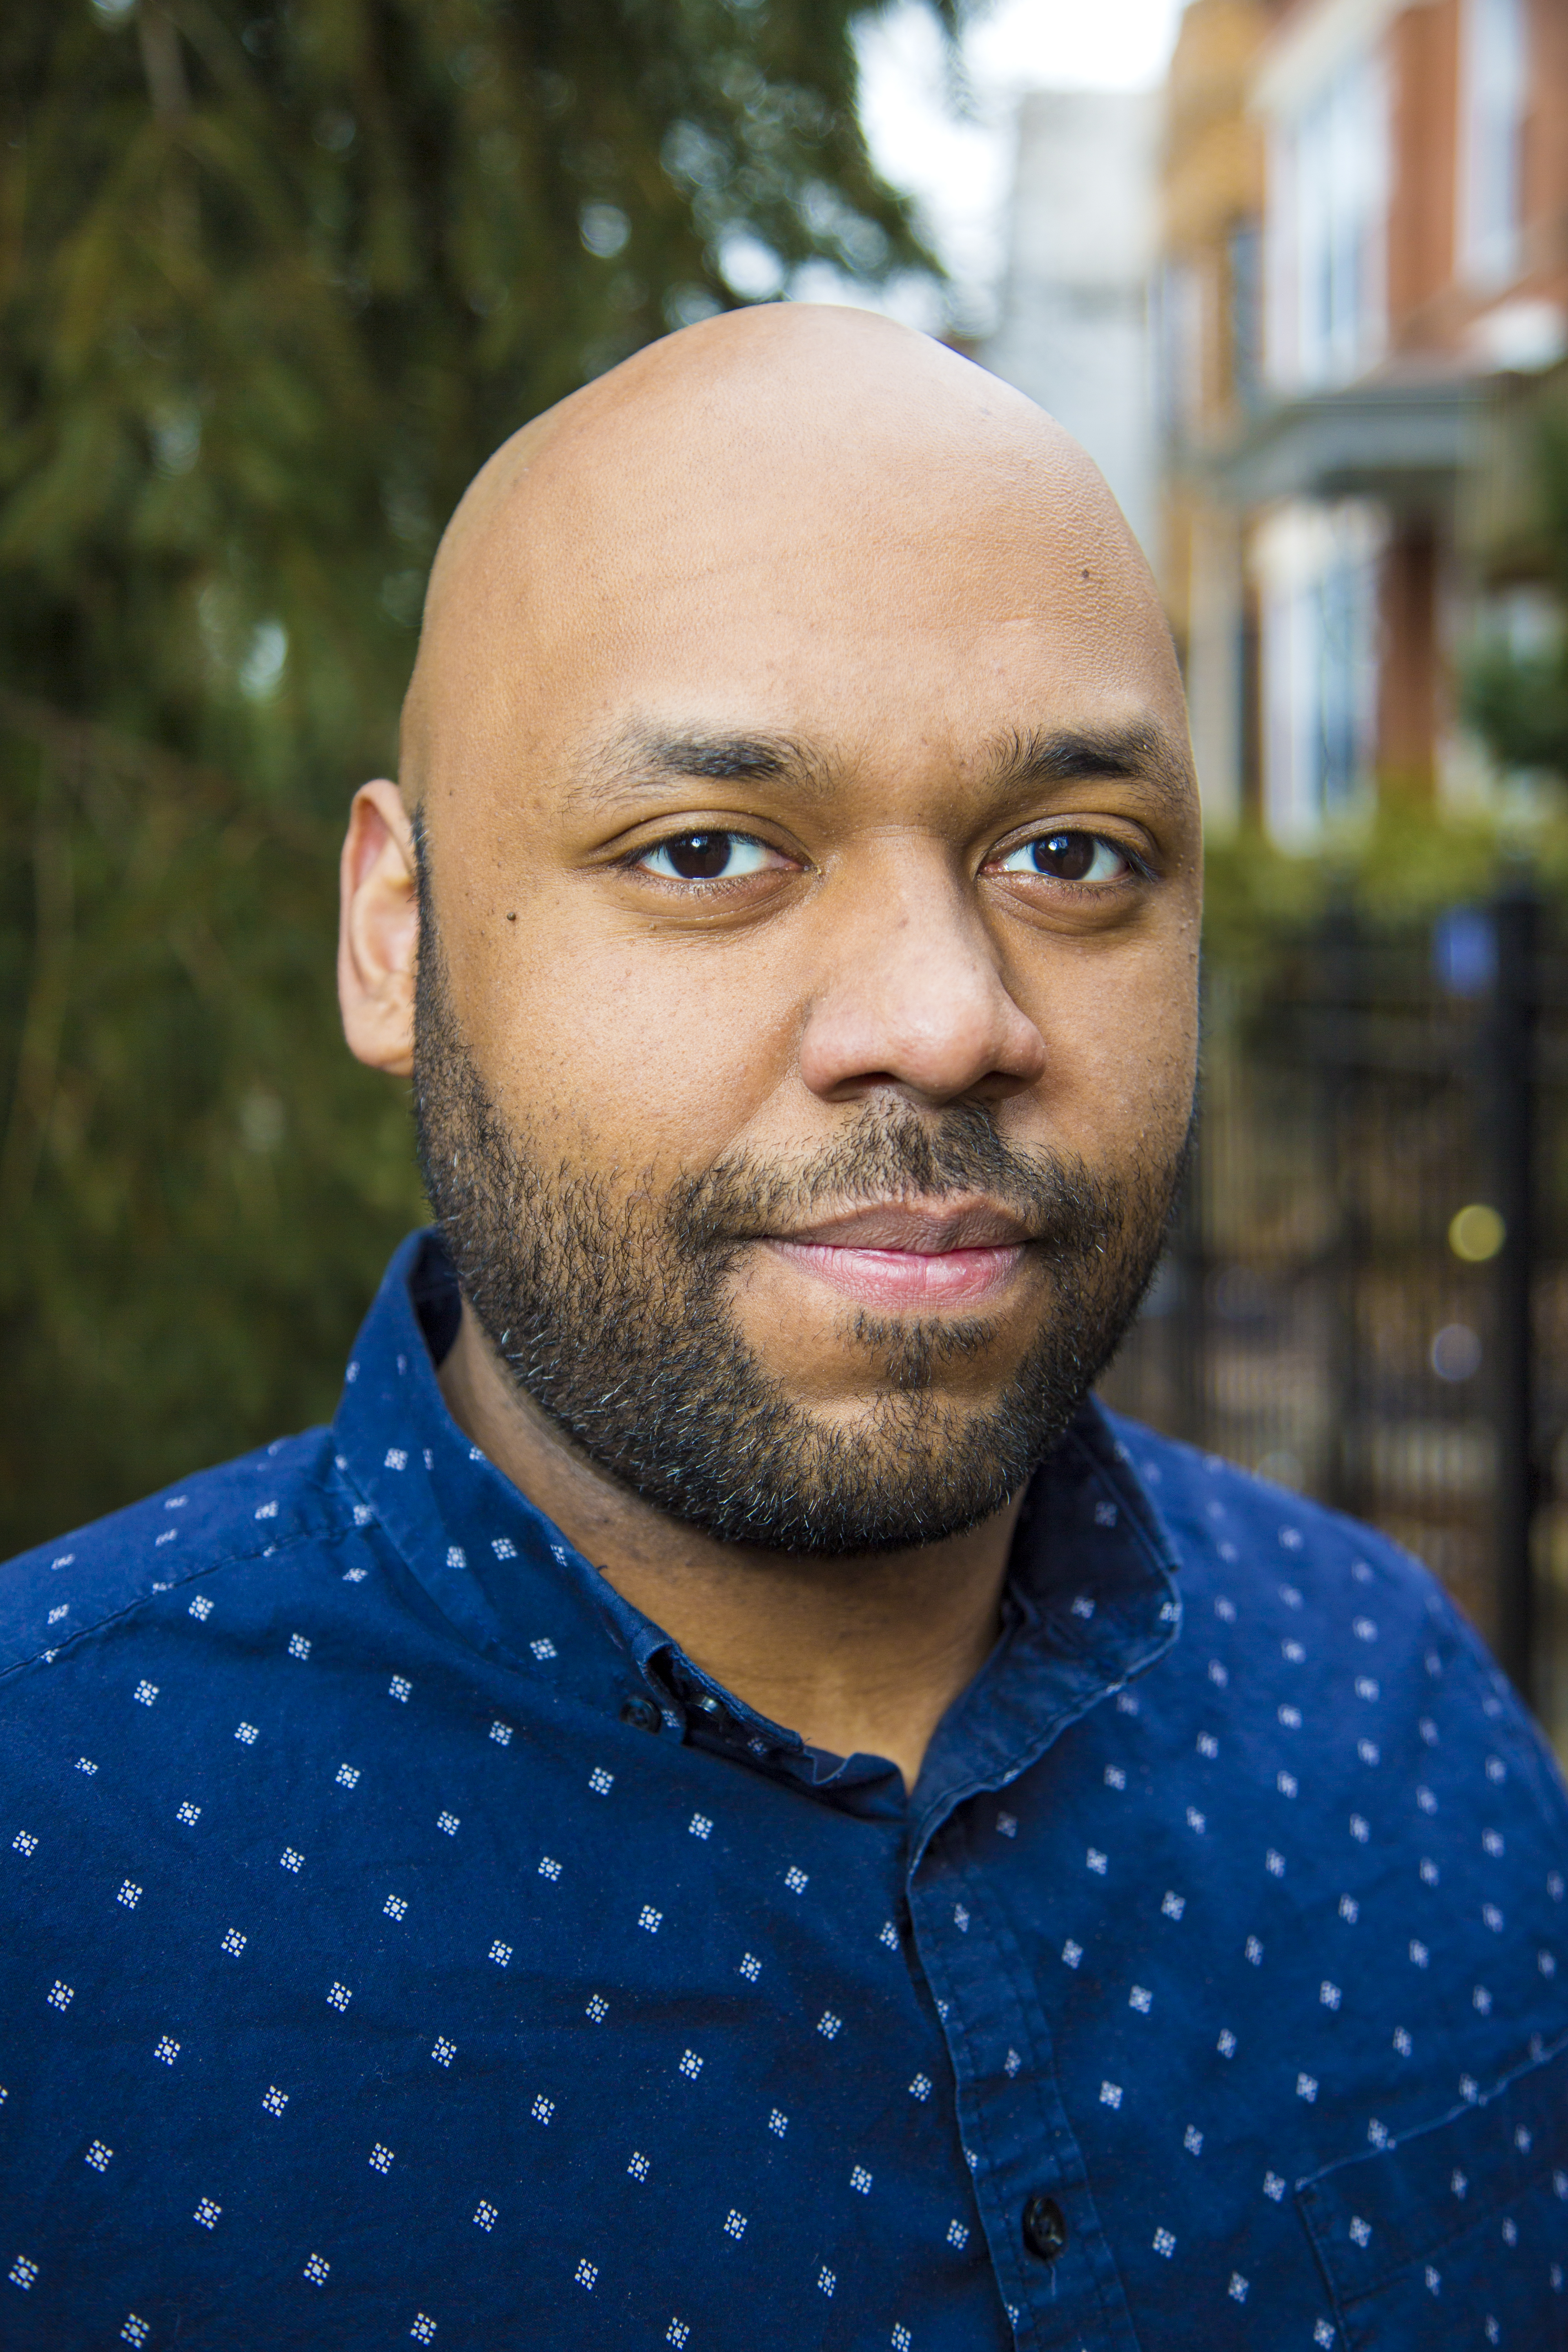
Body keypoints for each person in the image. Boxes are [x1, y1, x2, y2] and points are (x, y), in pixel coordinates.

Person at [0, 306, 1564, 2352]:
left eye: (1070, 856)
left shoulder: (1404, 1728)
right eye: (711, 853)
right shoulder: (54, 1862)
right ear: (399, 936)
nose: (942, 1017)